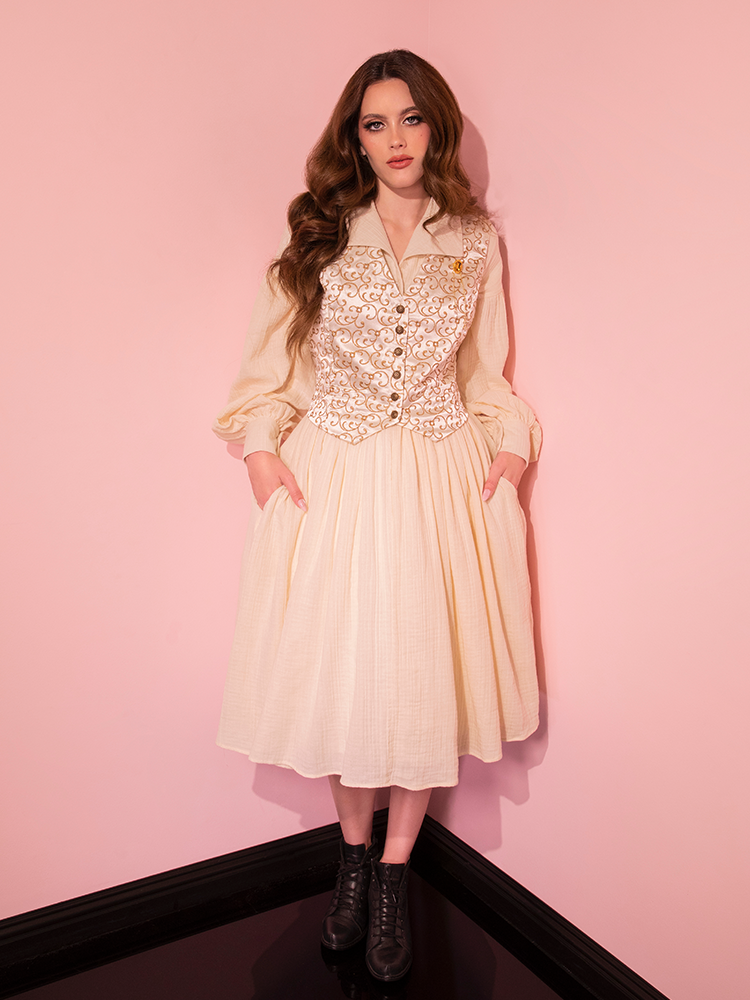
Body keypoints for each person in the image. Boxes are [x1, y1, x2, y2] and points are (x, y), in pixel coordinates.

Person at [212, 49, 541, 983]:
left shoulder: (473, 242)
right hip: (340, 475)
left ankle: (395, 874)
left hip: (440, 473)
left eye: (410, 118)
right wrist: (262, 452)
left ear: (436, 126)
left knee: (423, 671)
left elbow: (484, 372)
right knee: (345, 674)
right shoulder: (320, 236)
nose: (395, 139)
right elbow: (267, 373)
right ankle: (351, 864)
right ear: (353, 139)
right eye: (374, 123)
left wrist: (512, 446)